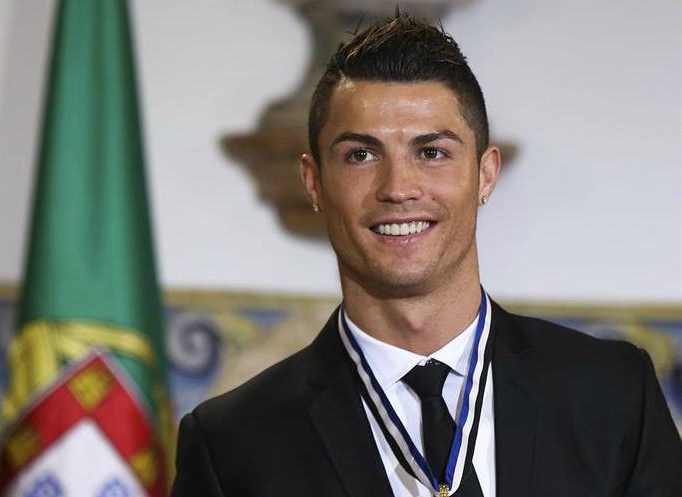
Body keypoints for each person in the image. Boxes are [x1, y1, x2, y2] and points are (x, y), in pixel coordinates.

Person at [171, 14, 682, 497]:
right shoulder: (231, 445)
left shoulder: (613, 394)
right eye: (360, 155)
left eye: (431, 152)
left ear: (485, 174)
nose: (398, 188)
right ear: (314, 182)